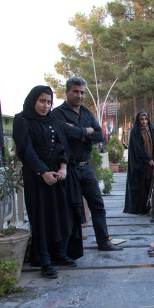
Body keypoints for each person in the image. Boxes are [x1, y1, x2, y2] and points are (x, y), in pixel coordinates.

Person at [13, 86, 81, 278]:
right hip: (37, 177)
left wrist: (62, 167)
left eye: (49, 102)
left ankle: (59, 254)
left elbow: (61, 146)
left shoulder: (52, 119)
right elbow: (26, 150)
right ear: (33, 100)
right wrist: (43, 171)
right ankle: (44, 260)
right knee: (41, 219)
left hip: (57, 175)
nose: (46, 105)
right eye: (42, 101)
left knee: (62, 215)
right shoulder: (22, 120)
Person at [51, 77, 122, 251]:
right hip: (69, 168)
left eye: (82, 92)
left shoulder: (87, 113)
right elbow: (63, 131)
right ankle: (68, 249)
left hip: (87, 167)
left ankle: (103, 241)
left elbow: (99, 135)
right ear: (67, 92)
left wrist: (78, 133)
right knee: (71, 209)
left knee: (97, 205)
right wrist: (85, 131)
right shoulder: (58, 113)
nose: (79, 95)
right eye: (75, 91)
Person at [123, 111, 154, 215]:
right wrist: (147, 159)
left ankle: (147, 206)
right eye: (141, 119)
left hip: (151, 163)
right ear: (138, 120)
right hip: (140, 164)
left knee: (149, 184)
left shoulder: (151, 130)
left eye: (145, 119)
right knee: (140, 186)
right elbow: (137, 148)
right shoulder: (135, 132)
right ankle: (139, 208)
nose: (144, 122)